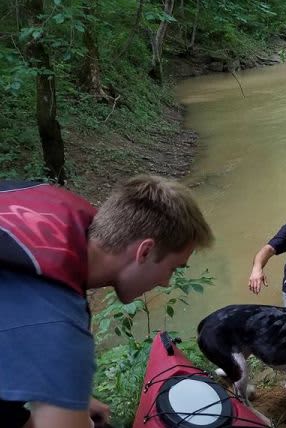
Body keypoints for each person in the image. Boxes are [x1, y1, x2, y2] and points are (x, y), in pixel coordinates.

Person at [0, 176, 214, 428]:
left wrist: (71, 394)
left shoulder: (41, 196)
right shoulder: (59, 327)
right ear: (144, 251)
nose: (167, 282)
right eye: (173, 268)